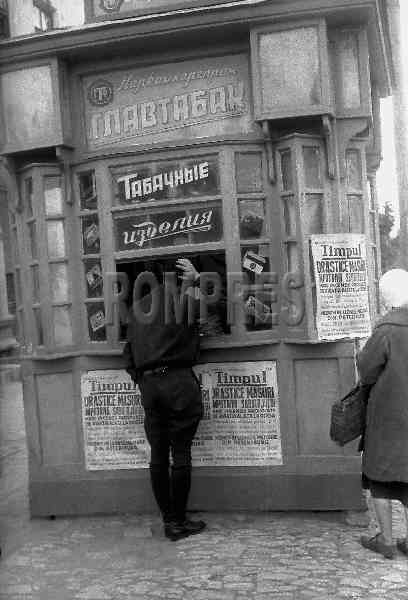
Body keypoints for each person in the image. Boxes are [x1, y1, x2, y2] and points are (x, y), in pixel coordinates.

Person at [123, 257, 206, 541]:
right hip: (178, 382)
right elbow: (217, 311)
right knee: (180, 453)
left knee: (158, 454)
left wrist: (143, 379)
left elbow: (128, 356)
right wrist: (197, 279)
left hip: (149, 386)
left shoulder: (136, 309)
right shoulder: (183, 298)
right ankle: (178, 523)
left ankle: (169, 520)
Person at [358, 268, 408, 559]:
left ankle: (387, 541)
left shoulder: (386, 330)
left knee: (380, 478)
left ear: (386, 298)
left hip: (388, 416)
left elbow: (366, 371)